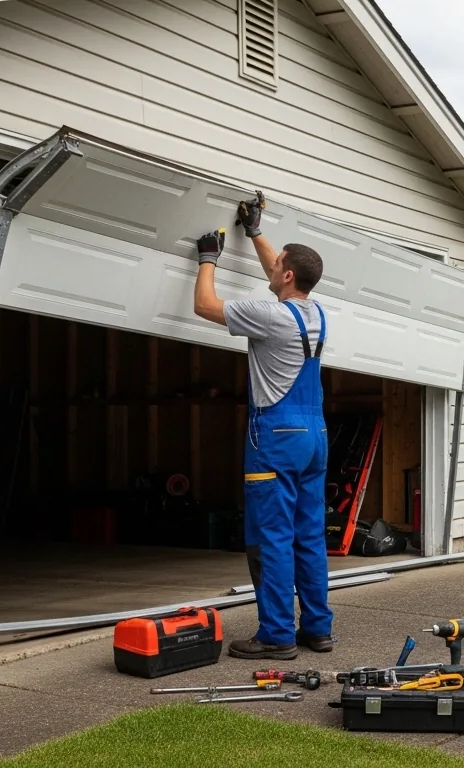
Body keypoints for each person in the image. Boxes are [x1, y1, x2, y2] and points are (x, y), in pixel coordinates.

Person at [191, 192, 334, 660]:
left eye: (277, 267)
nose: (271, 270)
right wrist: (254, 232)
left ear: (288, 275)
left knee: (272, 539)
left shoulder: (270, 315)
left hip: (275, 438)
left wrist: (208, 258)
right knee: (309, 536)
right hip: (315, 438)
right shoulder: (314, 313)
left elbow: (205, 306)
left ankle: (275, 635)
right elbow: (284, 269)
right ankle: (317, 629)